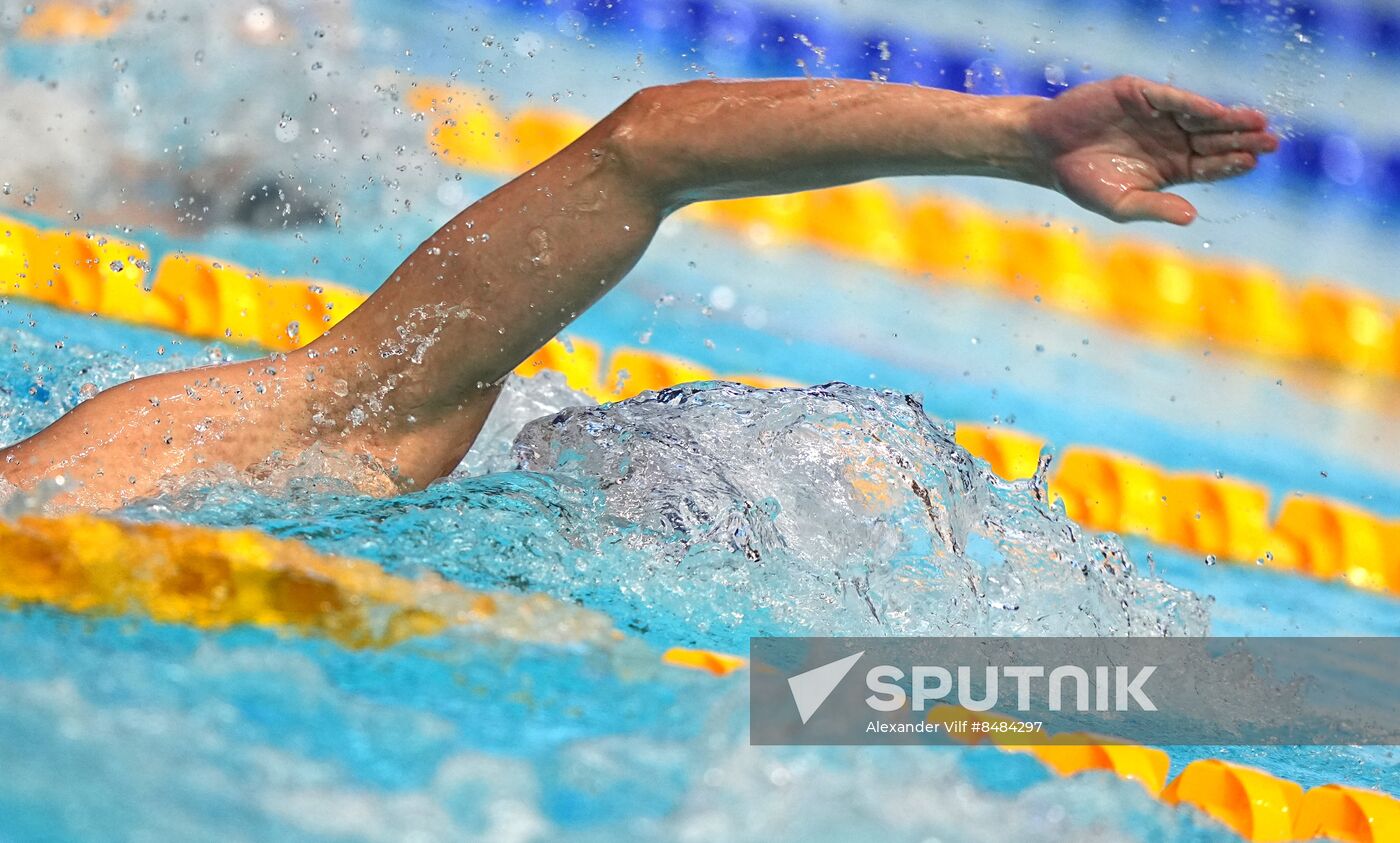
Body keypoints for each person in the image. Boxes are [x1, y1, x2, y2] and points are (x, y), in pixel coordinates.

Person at [0, 76, 1277, 510]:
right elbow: (643, 151)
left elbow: (644, 150)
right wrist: (1007, 135)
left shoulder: (126, 465)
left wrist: (1011, 138)